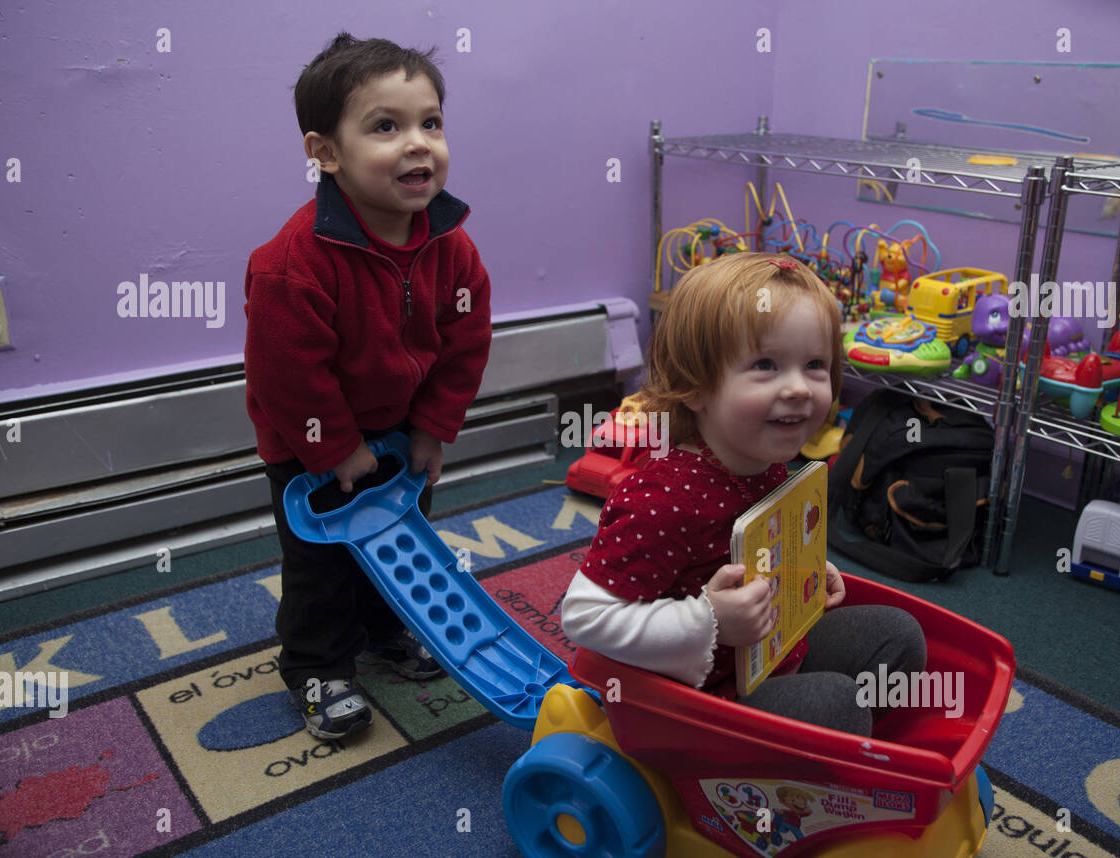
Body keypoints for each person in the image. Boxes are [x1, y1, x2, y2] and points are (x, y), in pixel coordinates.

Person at [562, 252, 923, 735]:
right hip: (700, 699)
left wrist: (806, 571)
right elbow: (584, 618)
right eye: (766, 365)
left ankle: (831, 748)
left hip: (772, 653)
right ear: (695, 387)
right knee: (838, 706)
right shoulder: (663, 497)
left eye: (815, 364)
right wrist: (709, 620)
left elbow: (758, 547)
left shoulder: (762, 460)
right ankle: (813, 769)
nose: (798, 387)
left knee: (898, 637)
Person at [244, 33, 491, 739]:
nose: (417, 143)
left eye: (430, 123)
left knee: (403, 535)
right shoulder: (292, 265)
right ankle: (317, 665)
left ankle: (389, 630)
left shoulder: (453, 244)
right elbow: (288, 376)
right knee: (323, 562)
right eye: (386, 126)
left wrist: (434, 427)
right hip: (311, 442)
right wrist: (335, 450)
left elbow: (465, 342)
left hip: (401, 429)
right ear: (324, 152)